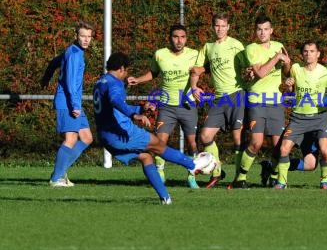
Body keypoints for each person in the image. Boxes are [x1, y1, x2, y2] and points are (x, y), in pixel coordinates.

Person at [93, 52, 213, 205]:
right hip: (122, 133)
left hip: (105, 136)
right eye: (127, 70)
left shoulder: (100, 82)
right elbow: (115, 100)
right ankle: (192, 165)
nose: (126, 74)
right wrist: (133, 115)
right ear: (122, 68)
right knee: (158, 145)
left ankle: (165, 198)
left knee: (146, 157)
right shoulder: (115, 83)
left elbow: (112, 107)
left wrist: (140, 109)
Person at [127, 24, 200, 188]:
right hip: (166, 106)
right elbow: (154, 73)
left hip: (187, 105)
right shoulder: (160, 54)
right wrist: (138, 79)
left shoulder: (194, 54)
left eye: (182, 37)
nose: (179, 40)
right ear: (170, 38)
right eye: (175, 36)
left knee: (192, 143)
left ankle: (191, 176)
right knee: (160, 141)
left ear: (186, 38)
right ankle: (160, 173)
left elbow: (204, 68)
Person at [230, 15, 291, 189]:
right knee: (256, 142)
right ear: (255, 31)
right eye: (259, 29)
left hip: (276, 102)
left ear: (271, 30)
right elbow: (260, 73)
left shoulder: (279, 46)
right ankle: (240, 178)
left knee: (278, 145)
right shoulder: (251, 49)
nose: (262, 32)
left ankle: (272, 175)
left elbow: (286, 70)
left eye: (266, 29)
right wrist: (277, 58)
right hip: (257, 101)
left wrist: (285, 62)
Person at [273, 42, 327, 189]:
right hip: (298, 118)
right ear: (302, 54)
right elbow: (284, 89)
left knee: (325, 151)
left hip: (319, 118)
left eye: (312, 51)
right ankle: (281, 182)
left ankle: (324, 182)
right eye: (305, 51)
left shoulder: (325, 73)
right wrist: (286, 85)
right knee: (284, 149)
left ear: (318, 54)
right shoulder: (295, 69)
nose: (308, 54)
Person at [191, 12, 248, 188]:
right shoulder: (208, 47)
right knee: (205, 135)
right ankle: (217, 172)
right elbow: (196, 69)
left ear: (228, 27)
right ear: (212, 27)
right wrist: (194, 86)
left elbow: (248, 65)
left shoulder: (236, 44)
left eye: (223, 26)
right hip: (218, 98)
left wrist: (250, 73)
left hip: (236, 95)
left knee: (237, 139)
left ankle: (240, 180)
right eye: (217, 25)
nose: (220, 29)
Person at [49, 21, 95, 187]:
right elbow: (70, 82)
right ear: (76, 36)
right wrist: (75, 106)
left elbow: (55, 61)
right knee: (71, 138)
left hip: (72, 101)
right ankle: (56, 178)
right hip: (68, 102)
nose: (86, 40)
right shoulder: (75, 54)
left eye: (89, 37)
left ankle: (60, 172)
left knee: (87, 137)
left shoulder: (72, 50)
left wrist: (46, 77)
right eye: (83, 36)